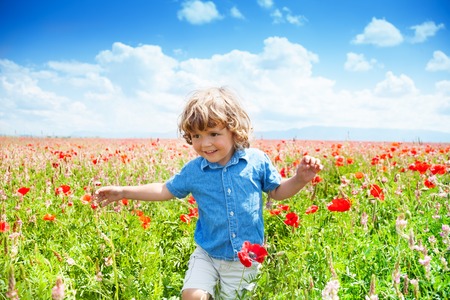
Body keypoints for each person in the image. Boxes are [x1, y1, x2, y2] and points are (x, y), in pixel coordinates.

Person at [94, 87, 323, 300]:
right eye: (196, 136)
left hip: (246, 260)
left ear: (234, 131)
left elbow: (278, 191)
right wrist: (122, 191)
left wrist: (300, 178)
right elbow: (165, 190)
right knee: (191, 296)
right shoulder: (195, 170)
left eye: (213, 134)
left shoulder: (255, 161)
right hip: (207, 253)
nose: (205, 143)